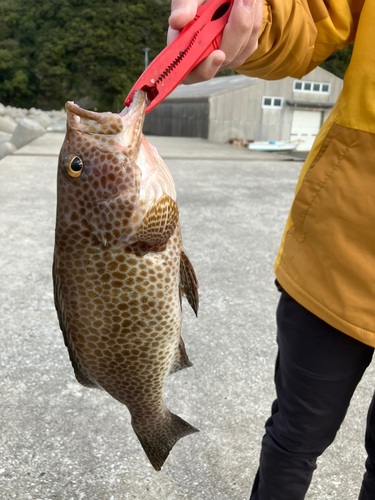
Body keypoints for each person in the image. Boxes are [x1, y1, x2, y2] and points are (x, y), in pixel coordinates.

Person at [168, 1, 375, 499]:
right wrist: (242, 16)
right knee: (293, 439)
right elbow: (308, 13)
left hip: (331, 250)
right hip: (339, 253)